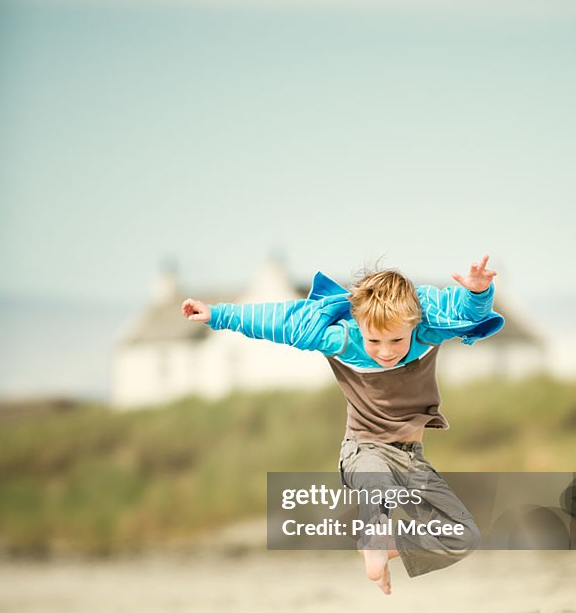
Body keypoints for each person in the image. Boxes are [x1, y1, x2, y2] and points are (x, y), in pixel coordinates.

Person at [182, 255, 504, 595]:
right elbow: (279, 321)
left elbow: (468, 311)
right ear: (359, 326)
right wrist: (217, 315)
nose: (385, 352)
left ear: (413, 323)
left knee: (464, 534)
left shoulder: (429, 327)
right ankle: (374, 539)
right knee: (375, 479)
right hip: (364, 450)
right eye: (375, 341)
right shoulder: (341, 339)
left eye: (396, 340)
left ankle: (387, 546)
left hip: (412, 458)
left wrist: (480, 292)